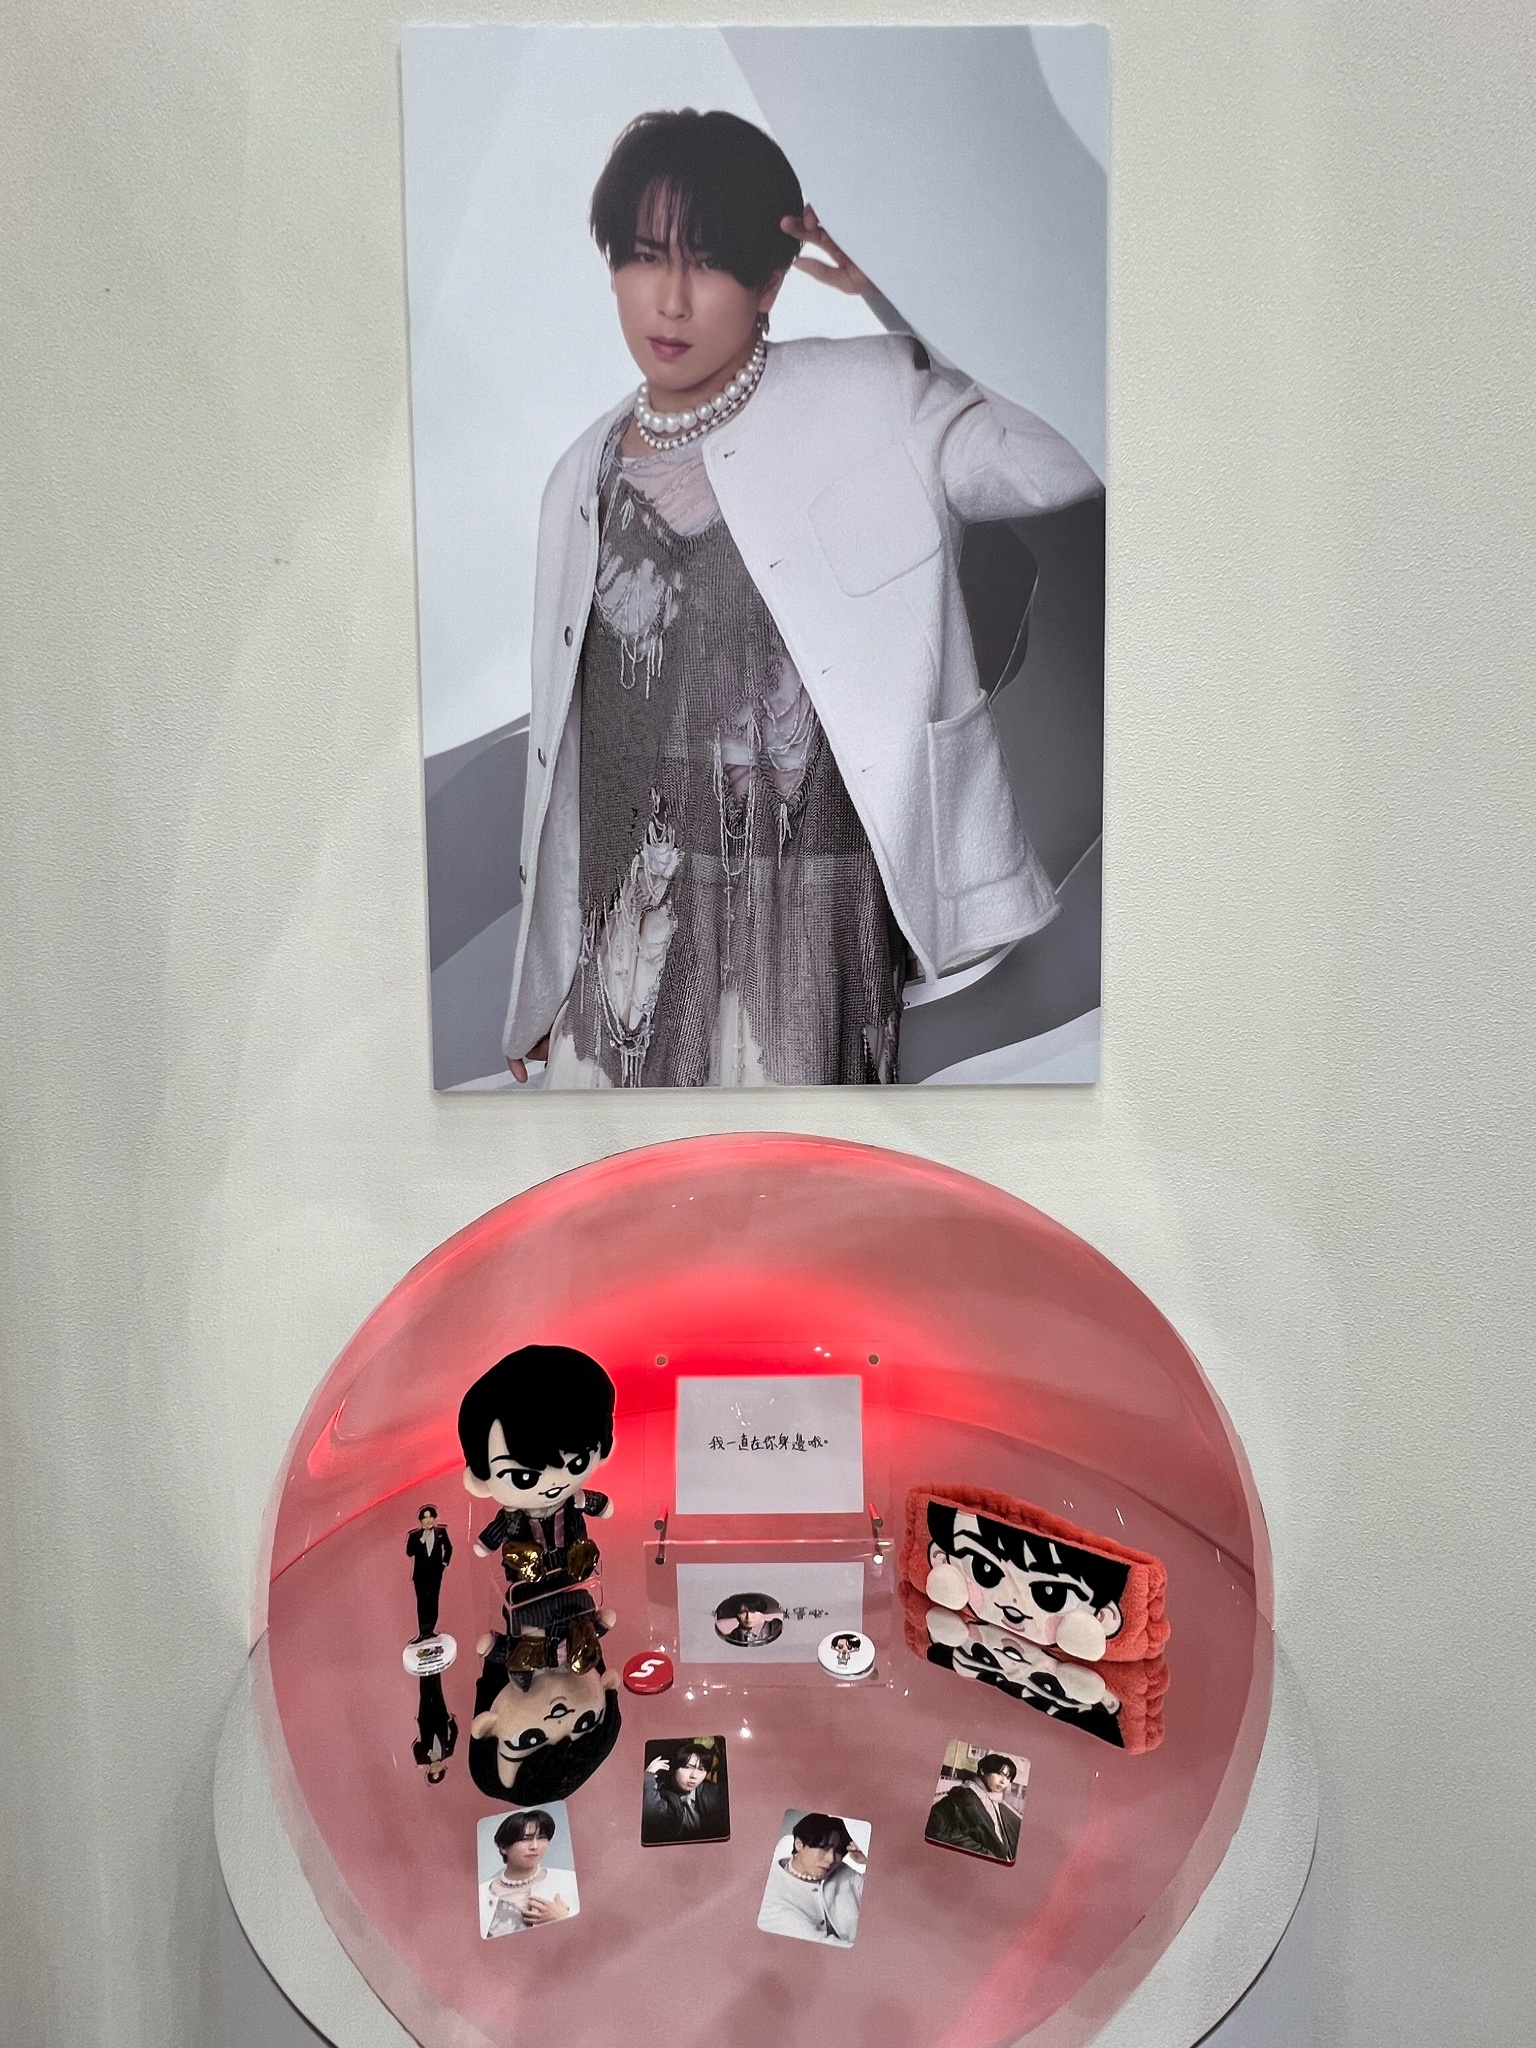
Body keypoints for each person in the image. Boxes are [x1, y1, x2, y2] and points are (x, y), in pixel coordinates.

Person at [504, 107, 1101, 1090]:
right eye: (646, 257)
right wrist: (544, 983)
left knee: (790, 1177)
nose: (672, 298)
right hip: (631, 929)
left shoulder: (879, 395)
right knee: (618, 1177)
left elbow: (1064, 453)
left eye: (709, 263)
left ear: (771, 282)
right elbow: (573, 763)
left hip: (810, 924)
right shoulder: (581, 474)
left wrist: (902, 290)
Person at [458, 1346, 616, 1672]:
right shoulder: (512, 1518)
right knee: (532, 1629)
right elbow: (488, 1540)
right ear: (480, 1480)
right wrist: (485, 1545)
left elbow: (600, 1504)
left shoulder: (573, 1500)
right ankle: (519, 1653)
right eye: (524, 1477)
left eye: (577, 1463)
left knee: (578, 1613)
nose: (554, 1484)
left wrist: (596, 1504)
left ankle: (586, 1634)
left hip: (573, 1576)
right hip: (529, 1587)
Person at [756, 1812, 866, 1946]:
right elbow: (816, 1945)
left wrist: (867, 1861)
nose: (831, 1859)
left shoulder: (844, 1872)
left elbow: (883, 1903)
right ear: (799, 1844)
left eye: (838, 1851)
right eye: (824, 1848)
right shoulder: (769, 1890)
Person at [481, 1810, 580, 1936]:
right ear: (503, 1847)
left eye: (541, 1838)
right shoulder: (482, 1893)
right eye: (525, 1839)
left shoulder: (568, 1880)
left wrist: (563, 1918)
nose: (534, 1846)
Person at [925, 1754, 1023, 1863]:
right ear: (983, 1771)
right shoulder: (963, 1795)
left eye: (1008, 1778)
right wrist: (985, 1854)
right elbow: (938, 1830)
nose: (1003, 1782)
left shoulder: (988, 1797)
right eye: (1000, 1774)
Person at [642, 1742, 729, 1843]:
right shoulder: (662, 1794)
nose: (694, 1776)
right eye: (687, 1767)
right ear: (673, 1768)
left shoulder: (713, 1793)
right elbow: (653, 1815)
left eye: (701, 1769)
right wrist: (649, 1775)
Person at [405, 1504, 453, 1642]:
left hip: (435, 1573)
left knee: (433, 1600)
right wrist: (422, 1540)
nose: (428, 1520)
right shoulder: (414, 1535)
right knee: (422, 1602)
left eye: (430, 1517)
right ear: (421, 1520)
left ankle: (431, 1630)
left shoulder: (441, 1531)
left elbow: (448, 1548)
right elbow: (409, 1552)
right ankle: (423, 1632)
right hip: (420, 1575)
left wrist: (444, 1563)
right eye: (425, 1517)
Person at [411, 1673, 458, 1784]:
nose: (436, 1768)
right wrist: (450, 1720)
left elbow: (417, 1747)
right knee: (437, 1688)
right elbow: (455, 1734)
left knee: (425, 1690)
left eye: (433, 1771)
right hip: (440, 1715)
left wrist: (429, 1753)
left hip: (425, 1717)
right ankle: (435, 1668)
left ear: (429, 1770)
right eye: (439, 1770)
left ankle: (423, 1669)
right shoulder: (448, 1752)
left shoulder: (421, 1759)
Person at [713, 1593, 783, 1647]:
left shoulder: (775, 1627)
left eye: (753, 1612)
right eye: (742, 1612)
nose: (748, 1617)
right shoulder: (733, 1636)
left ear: (761, 1612)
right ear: (736, 1614)